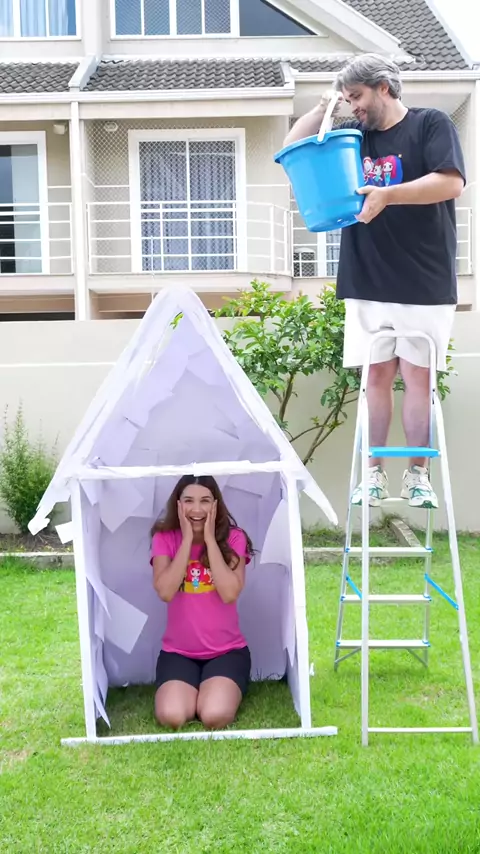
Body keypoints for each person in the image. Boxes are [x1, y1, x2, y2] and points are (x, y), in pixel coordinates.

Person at [283, 54, 465, 508]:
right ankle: (374, 476)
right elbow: (292, 147)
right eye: (347, 99)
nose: (354, 106)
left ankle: (417, 476)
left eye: (357, 96)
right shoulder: (353, 137)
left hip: (425, 277)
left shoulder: (430, 124)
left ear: (384, 87)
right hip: (366, 275)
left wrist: (388, 195)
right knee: (376, 377)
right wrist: (322, 106)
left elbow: (450, 183)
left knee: (418, 378)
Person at [151, 474, 253, 730]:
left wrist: (209, 539)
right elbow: (165, 592)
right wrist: (187, 541)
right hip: (177, 654)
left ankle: (213, 689)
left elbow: (230, 592)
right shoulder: (165, 538)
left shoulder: (235, 538)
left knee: (214, 716)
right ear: (178, 504)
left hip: (227, 653)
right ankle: (193, 689)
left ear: (215, 505)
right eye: (189, 501)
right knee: (172, 717)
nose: (197, 509)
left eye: (205, 501)